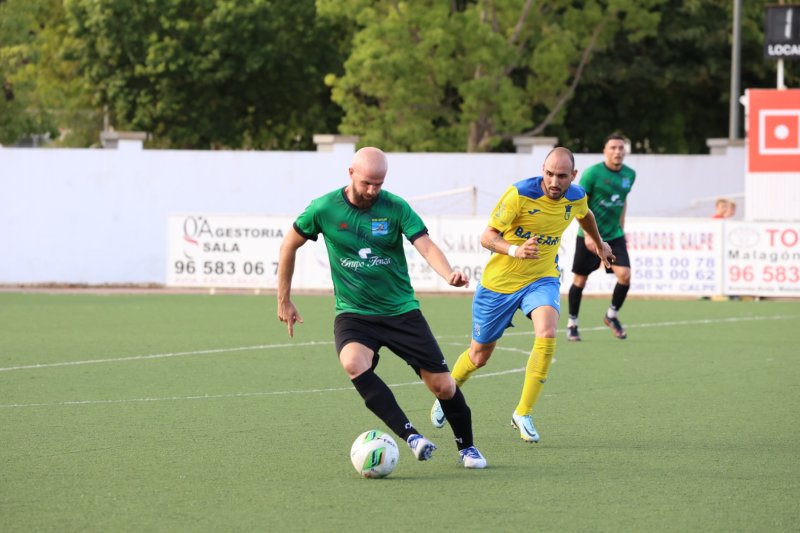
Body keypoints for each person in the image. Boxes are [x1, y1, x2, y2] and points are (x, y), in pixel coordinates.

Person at [277, 146, 487, 468]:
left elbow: (426, 245)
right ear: (351, 174)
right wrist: (285, 299)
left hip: (401, 311)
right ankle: (411, 436)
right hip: (354, 313)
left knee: (443, 386)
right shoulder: (323, 208)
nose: (373, 190)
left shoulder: (395, 207)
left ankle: (467, 448)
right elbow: (289, 245)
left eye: (379, 183)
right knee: (352, 363)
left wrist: (448, 274)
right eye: (367, 183)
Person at [430, 147, 614, 443]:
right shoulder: (519, 194)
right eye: (549, 174)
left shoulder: (576, 195)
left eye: (562, 176)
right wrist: (516, 250)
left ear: (573, 176)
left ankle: (523, 412)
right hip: (499, 285)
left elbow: (585, 214)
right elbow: (487, 237)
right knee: (479, 355)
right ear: (542, 170)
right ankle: (446, 394)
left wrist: (599, 242)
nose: (554, 181)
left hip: (542, 278)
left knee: (547, 331)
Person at [566, 133, 636, 342]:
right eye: (613, 147)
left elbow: (622, 201)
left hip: (614, 235)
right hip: (590, 235)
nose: (617, 151)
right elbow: (581, 206)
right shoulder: (592, 174)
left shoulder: (630, 175)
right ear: (605, 151)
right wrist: (588, 234)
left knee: (624, 275)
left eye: (621, 148)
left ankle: (611, 315)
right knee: (580, 280)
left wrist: (621, 229)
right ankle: (572, 323)